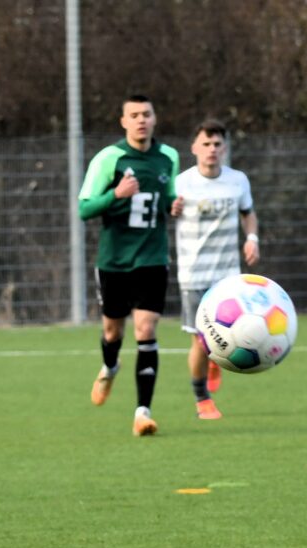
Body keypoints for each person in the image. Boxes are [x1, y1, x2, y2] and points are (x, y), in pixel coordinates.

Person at [78, 94, 179, 436]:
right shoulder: (110, 158)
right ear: (123, 121)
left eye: (146, 114)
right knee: (112, 332)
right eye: (134, 115)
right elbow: (84, 209)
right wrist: (116, 195)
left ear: (154, 119)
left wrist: (173, 206)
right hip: (114, 261)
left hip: (152, 258)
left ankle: (142, 413)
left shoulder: (168, 157)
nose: (141, 120)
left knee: (146, 330)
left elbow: (166, 199)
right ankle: (109, 366)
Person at [169, 118, 260, 420]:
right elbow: (167, 211)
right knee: (199, 339)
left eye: (217, 144)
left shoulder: (238, 180)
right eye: (205, 144)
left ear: (225, 148)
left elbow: (248, 214)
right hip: (194, 275)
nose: (211, 150)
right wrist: (172, 209)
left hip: (228, 278)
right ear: (195, 147)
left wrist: (252, 238)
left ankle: (213, 361)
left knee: (226, 335)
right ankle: (201, 398)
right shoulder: (180, 182)